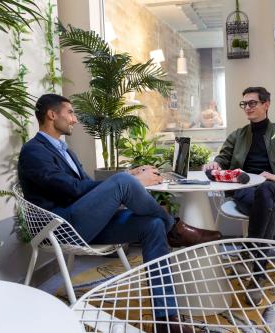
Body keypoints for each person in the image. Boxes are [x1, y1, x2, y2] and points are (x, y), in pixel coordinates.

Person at [18, 94, 221, 332]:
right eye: (70, 113)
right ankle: (175, 228)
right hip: (62, 226)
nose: (74, 119)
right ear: (52, 115)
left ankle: (167, 319)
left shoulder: (65, 150)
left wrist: (130, 176)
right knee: (124, 182)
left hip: (84, 221)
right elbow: (71, 189)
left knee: (153, 224)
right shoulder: (34, 151)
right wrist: (127, 180)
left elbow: (85, 186)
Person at [203, 86, 275, 306]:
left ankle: (249, 254)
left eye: (252, 103)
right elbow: (223, 158)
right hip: (244, 188)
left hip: (272, 187)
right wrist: (215, 163)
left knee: (266, 191)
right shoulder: (237, 135)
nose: (247, 108)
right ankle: (257, 275)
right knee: (268, 208)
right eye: (244, 104)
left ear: (266, 104)